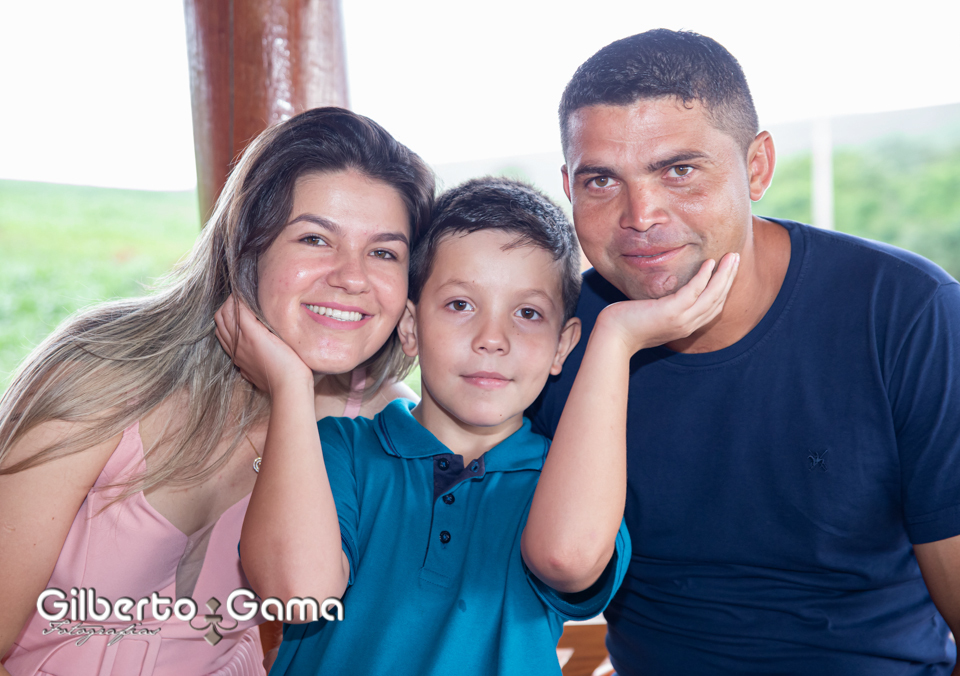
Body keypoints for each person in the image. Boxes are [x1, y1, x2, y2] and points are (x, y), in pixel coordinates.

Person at [527, 28, 960, 675]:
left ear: (756, 167)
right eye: (601, 181)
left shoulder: (906, 310)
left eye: (679, 170)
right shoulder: (557, 331)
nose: (641, 214)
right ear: (568, 186)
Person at [220, 176, 736, 675]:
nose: (493, 338)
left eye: (528, 313)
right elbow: (298, 592)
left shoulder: (571, 482)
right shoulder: (339, 451)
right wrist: (291, 384)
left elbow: (567, 558)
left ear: (563, 345)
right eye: (461, 305)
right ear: (410, 327)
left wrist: (617, 339)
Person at [0, 107, 434, 676]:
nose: (351, 277)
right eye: (314, 238)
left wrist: (290, 390)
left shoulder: (380, 422)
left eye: (383, 252)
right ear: (247, 247)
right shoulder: (102, 371)